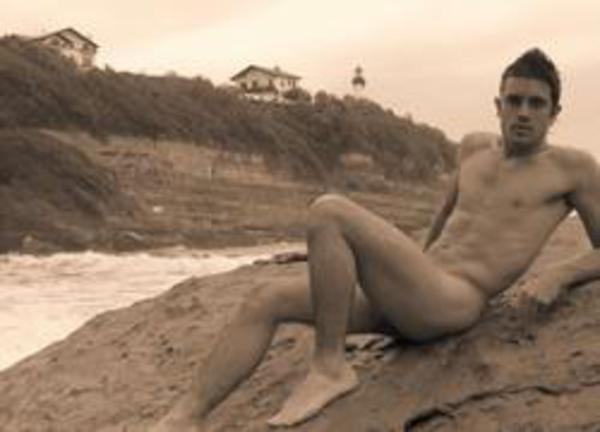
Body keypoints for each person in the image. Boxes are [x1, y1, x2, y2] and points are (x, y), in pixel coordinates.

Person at [152, 48, 600, 431]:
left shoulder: (573, 169)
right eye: (515, 100)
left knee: (329, 210)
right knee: (265, 299)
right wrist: (397, 272)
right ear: (497, 105)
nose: (524, 112)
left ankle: (330, 367)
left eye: (537, 104)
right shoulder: (473, 148)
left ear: (554, 113)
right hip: (412, 292)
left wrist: (559, 276)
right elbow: (445, 218)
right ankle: (183, 418)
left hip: (454, 301)